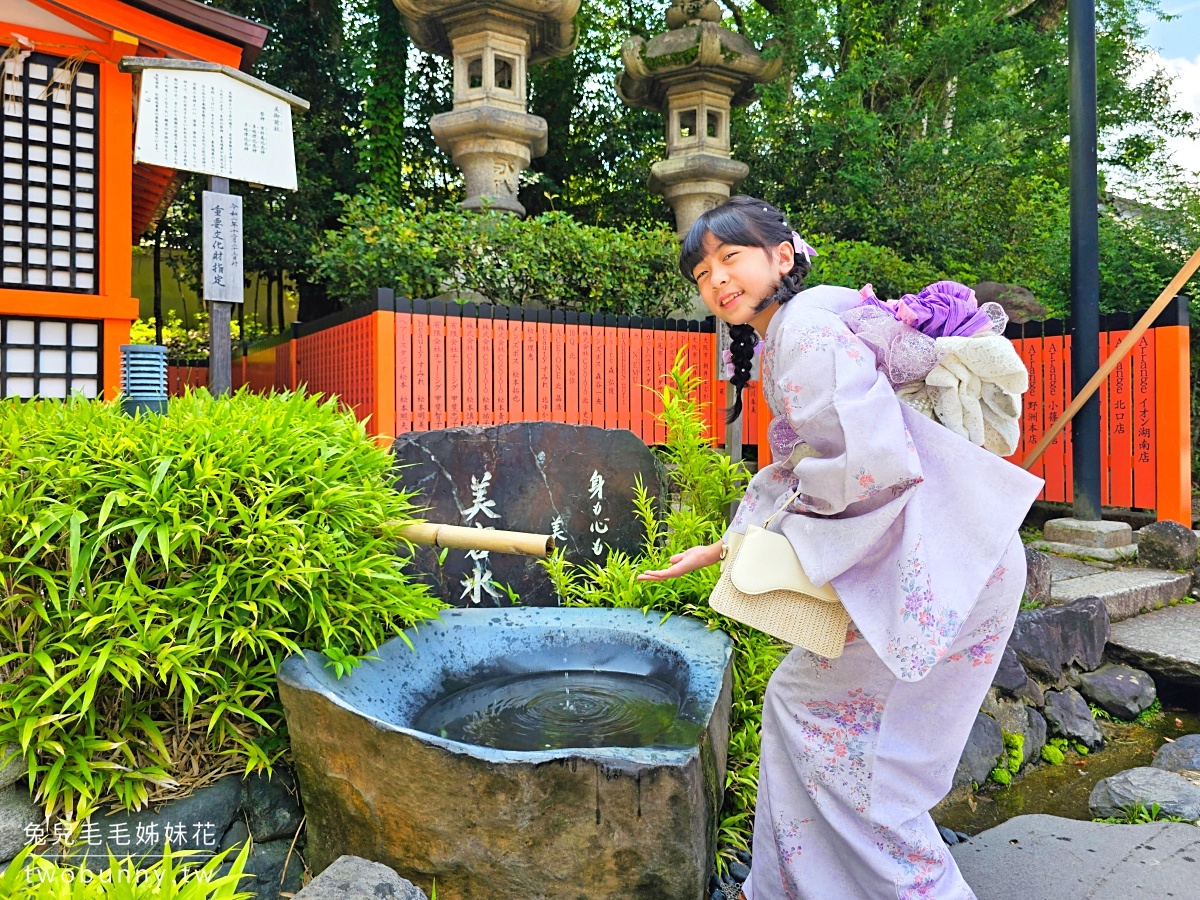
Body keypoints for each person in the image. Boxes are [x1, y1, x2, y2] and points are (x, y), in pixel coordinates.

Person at [638, 196, 1043, 899]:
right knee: (861, 751)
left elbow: (865, 465)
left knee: (845, 749)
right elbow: (804, 472)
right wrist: (728, 544)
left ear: (782, 256)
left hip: (931, 564)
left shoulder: (805, 333)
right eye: (702, 272)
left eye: (730, 258)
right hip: (959, 554)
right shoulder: (807, 324)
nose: (717, 281)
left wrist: (782, 536)